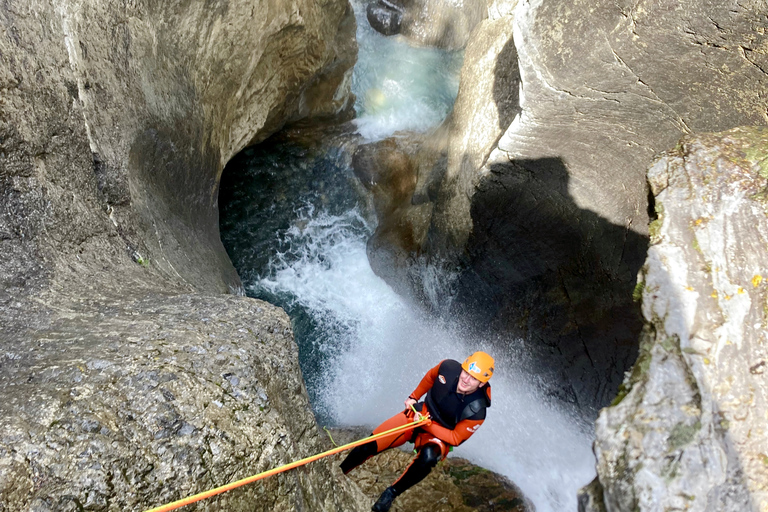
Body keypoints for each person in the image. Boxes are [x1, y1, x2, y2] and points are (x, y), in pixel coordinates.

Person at [340, 351, 494, 512]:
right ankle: (340, 470)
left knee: (428, 458)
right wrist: (413, 397)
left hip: (438, 434)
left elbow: (455, 438)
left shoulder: (477, 411)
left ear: (481, 384)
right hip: (420, 413)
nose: (466, 379)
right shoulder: (447, 367)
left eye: (474, 378)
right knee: (370, 444)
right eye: (466, 372)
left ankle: (391, 493)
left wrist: (429, 426)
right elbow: (430, 377)